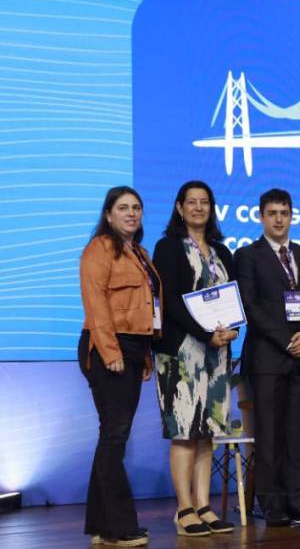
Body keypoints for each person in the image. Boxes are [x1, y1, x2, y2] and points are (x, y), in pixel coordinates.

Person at [236, 188, 300, 526]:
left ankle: (295, 497)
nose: (278, 219)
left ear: (292, 216)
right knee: (270, 434)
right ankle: (271, 502)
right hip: (267, 358)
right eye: (272, 213)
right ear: (261, 216)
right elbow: (250, 306)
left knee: (295, 432)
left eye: (284, 213)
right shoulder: (248, 255)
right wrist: (286, 339)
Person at [152, 181, 237, 536]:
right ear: (179, 207)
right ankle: (184, 508)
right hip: (181, 352)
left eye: (205, 202)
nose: (199, 208)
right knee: (185, 432)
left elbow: (234, 299)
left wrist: (231, 330)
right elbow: (169, 301)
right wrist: (206, 333)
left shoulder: (222, 251)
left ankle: (204, 505)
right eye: (192, 202)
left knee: (207, 434)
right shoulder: (167, 247)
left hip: (217, 354)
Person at [78, 186, 161, 547]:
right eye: (123, 208)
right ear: (109, 215)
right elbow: (95, 301)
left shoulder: (139, 253)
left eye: (136, 208)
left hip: (133, 346)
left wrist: (143, 355)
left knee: (112, 434)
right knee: (115, 435)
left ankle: (101, 525)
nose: (131, 213)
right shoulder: (100, 248)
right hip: (107, 345)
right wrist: (111, 351)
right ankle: (118, 527)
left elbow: (146, 308)